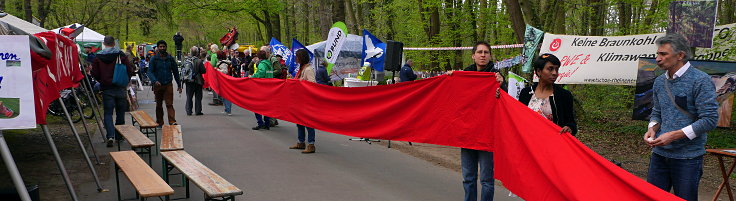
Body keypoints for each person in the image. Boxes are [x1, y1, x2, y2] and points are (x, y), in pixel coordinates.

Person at [643, 34, 718, 201]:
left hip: (688, 158)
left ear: (680, 55)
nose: (658, 59)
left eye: (663, 54)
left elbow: (710, 119)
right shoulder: (659, 82)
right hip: (659, 155)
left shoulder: (700, 80)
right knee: (651, 197)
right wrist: (652, 128)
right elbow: (657, 111)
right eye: (657, 54)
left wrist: (674, 135)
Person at [459, 41, 504, 201]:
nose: (483, 55)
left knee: (486, 179)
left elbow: (504, 102)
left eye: (486, 52)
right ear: (473, 56)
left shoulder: (496, 76)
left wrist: (501, 85)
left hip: (487, 134)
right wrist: (450, 77)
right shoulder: (465, 74)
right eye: (480, 52)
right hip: (468, 133)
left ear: (490, 56)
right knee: (468, 177)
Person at [91, 36, 134, 147]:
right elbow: (129, 70)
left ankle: (110, 136)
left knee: (108, 113)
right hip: (120, 87)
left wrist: (102, 80)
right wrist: (126, 81)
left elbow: (94, 72)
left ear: (104, 43)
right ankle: (119, 136)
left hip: (107, 88)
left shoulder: (98, 57)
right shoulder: (121, 55)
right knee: (120, 112)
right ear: (114, 44)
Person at [518, 53, 577, 136]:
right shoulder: (526, 93)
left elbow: (571, 123)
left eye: (557, 69)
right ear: (539, 71)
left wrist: (569, 128)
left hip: (553, 143)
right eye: (550, 69)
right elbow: (517, 117)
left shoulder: (564, 95)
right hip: (528, 142)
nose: (554, 73)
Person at [289, 49, 318, 153]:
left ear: (301, 57)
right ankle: (301, 141)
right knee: (299, 121)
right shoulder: (302, 69)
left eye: (297, 56)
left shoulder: (308, 69)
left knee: (308, 122)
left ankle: (311, 144)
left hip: (306, 100)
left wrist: (299, 82)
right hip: (300, 99)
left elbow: (312, 83)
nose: (295, 58)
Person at [147, 40, 182, 126]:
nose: (162, 48)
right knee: (159, 105)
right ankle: (159, 121)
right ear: (158, 48)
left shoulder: (170, 58)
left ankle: (172, 121)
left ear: (166, 47)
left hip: (168, 84)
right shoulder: (154, 59)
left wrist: (179, 84)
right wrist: (155, 81)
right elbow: (149, 72)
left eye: (164, 46)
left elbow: (175, 71)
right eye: (160, 46)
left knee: (169, 104)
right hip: (158, 85)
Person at [251, 46, 273, 130]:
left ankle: (260, 123)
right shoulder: (269, 65)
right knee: (267, 107)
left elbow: (260, 73)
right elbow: (270, 75)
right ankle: (267, 123)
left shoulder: (262, 65)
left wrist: (252, 76)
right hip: (269, 88)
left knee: (256, 106)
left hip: (261, 88)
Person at [184, 46, 206, 116]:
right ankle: (198, 111)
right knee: (198, 96)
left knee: (189, 96)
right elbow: (203, 71)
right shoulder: (199, 61)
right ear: (197, 53)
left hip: (189, 81)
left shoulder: (186, 61)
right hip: (198, 81)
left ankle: (189, 110)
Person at [215, 50, 234, 115]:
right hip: (227, 80)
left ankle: (228, 110)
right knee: (225, 95)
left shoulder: (222, 63)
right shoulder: (226, 62)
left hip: (225, 81)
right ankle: (227, 109)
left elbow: (224, 71)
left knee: (226, 95)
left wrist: (217, 69)